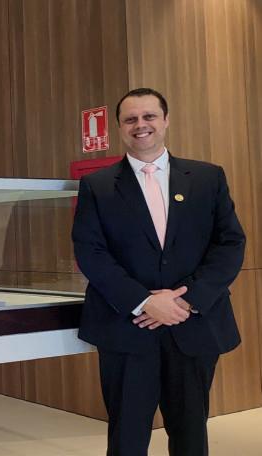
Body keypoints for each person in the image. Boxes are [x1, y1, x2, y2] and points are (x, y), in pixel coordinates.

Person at [72, 88, 246, 455]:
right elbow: (90, 252)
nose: (141, 125)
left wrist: (187, 300)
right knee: (127, 437)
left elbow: (230, 243)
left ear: (165, 120)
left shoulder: (207, 177)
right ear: (120, 127)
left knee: (190, 434)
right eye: (131, 119)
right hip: (127, 327)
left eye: (149, 116)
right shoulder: (97, 186)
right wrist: (143, 301)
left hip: (192, 324)